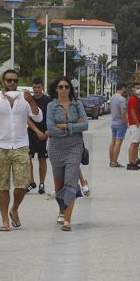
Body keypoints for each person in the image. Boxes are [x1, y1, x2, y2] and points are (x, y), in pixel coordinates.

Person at [0, 70, 42, 231]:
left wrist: (32, 102)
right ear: (3, 82)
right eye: (9, 81)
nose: (12, 83)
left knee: (23, 184)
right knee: (3, 185)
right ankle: (4, 220)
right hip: (0, 147)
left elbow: (38, 117)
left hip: (21, 146)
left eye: (15, 81)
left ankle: (14, 209)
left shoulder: (24, 98)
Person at [46, 76, 88, 231]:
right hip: (56, 147)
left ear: (70, 89)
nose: (64, 89)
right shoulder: (51, 106)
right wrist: (72, 127)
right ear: (56, 89)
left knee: (70, 182)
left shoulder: (77, 105)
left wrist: (64, 126)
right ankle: (61, 210)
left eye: (66, 87)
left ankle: (67, 220)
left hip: (74, 147)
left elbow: (85, 125)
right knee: (59, 186)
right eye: (60, 87)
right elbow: (50, 128)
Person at [26, 77, 51, 194]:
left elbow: (51, 118)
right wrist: (37, 131)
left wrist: (47, 132)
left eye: (38, 87)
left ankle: (42, 183)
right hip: (31, 132)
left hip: (44, 133)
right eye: (34, 87)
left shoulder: (48, 101)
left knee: (42, 159)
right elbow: (27, 118)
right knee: (28, 157)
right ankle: (31, 182)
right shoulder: (29, 101)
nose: (36, 89)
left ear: (42, 87)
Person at [108, 82, 127, 168]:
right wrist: (126, 122)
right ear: (122, 88)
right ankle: (114, 162)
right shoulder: (122, 99)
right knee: (118, 143)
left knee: (113, 142)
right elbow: (123, 112)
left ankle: (111, 160)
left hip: (113, 122)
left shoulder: (112, 98)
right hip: (120, 123)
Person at [126, 83, 140, 171]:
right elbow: (132, 111)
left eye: (139, 88)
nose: (138, 89)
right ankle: (130, 162)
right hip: (135, 124)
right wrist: (136, 122)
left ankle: (134, 161)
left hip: (138, 123)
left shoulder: (136, 99)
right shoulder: (132, 99)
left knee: (136, 143)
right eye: (137, 88)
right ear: (133, 89)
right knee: (133, 143)